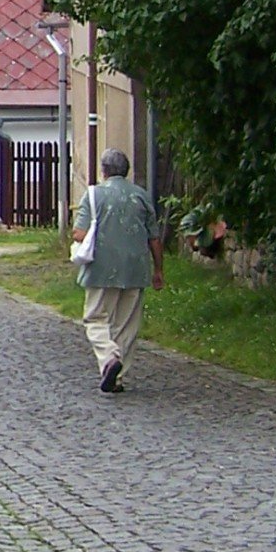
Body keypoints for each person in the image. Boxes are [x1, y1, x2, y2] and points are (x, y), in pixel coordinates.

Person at [70, 148, 166, 393]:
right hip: (135, 268)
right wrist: (158, 270)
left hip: (102, 268)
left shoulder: (94, 195)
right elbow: (154, 237)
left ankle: (109, 357)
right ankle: (118, 376)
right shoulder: (141, 196)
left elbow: (80, 233)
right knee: (126, 324)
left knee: (96, 318)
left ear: (103, 170)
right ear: (127, 170)